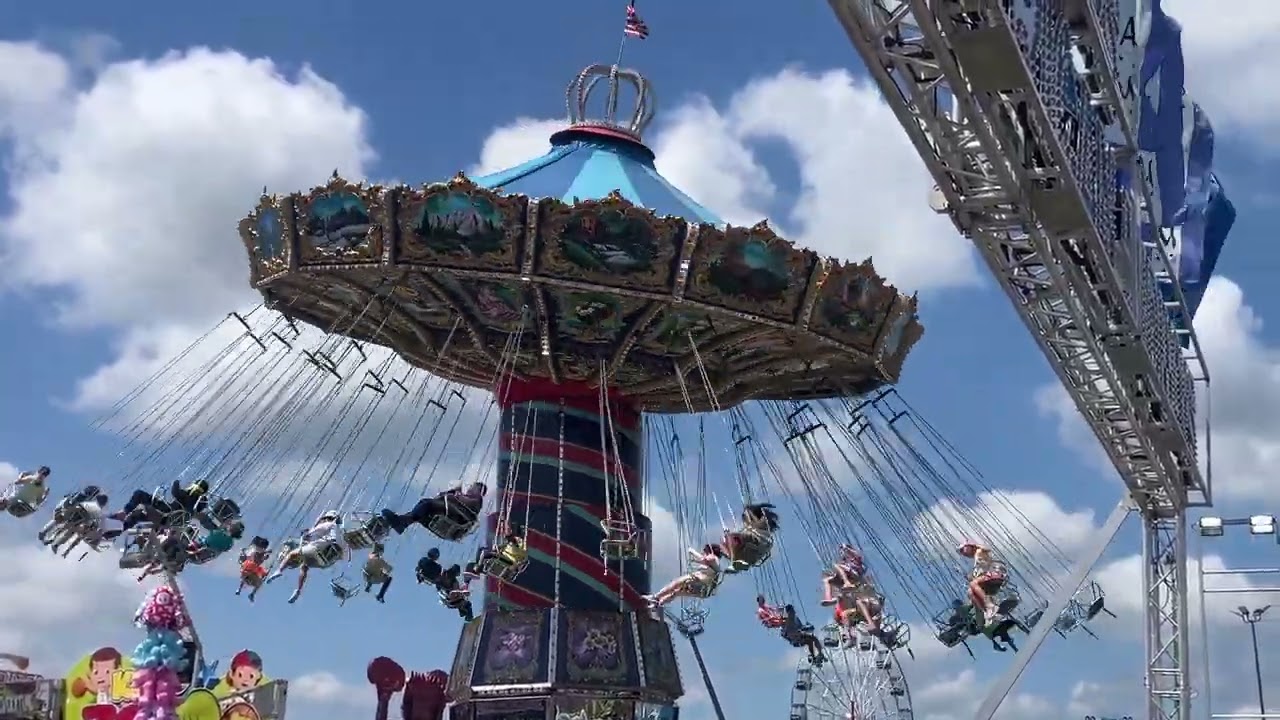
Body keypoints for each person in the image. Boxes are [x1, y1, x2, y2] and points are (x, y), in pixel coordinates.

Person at [267, 510, 345, 604]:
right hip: (325, 562)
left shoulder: (328, 524)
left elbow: (309, 535)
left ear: (327, 518)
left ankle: (279, 570)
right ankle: (298, 590)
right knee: (304, 566)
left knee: (292, 554)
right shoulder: (340, 533)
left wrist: (307, 532)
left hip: (315, 550)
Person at [380, 482, 486, 536]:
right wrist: (450, 493)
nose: (470, 488)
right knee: (423, 511)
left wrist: (457, 494)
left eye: (473, 486)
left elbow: (465, 501)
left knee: (427, 503)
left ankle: (402, 522)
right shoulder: (471, 499)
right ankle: (401, 522)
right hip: (449, 515)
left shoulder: (477, 499)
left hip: (455, 516)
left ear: (478, 489)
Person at [644, 545, 724, 607]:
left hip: (700, 583)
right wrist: (695, 560)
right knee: (676, 592)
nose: (703, 553)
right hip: (704, 592)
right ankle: (657, 604)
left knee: (675, 583)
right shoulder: (715, 565)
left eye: (705, 551)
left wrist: (692, 551)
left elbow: (705, 559)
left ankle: (655, 597)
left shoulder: (714, 558)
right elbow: (705, 562)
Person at [114, 479, 210, 529]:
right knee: (138, 515)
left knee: (139, 494)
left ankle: (123, 513)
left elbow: (175, 492)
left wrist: (176, 482)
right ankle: (119, 528)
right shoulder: (199, 504)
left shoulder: (188, 495)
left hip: (166, 513)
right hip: (172, 522)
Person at [712, 502, 779, 574]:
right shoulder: (754, 528)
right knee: (728, 541)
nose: (745, 521)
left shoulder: (761, 524)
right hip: (750, 552)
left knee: (732, 538)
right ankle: (735, 561)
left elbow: (752, 522)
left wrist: (749, 511)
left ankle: (735, 560)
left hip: (757, 543)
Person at [49, 493, 111, 558]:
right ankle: (55, 541)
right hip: (80, 517)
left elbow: (94, 519)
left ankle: (56, 543)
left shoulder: (96, 508)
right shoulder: (95, 507)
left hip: (81, 519)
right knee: (69, 530)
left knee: (69, 531)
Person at [959, 541, 1006, 624]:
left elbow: (987, 549)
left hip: (994, 575)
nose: (963, 553)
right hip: (986, 580)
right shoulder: (976, 561)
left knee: (973, 583)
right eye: (962, 552)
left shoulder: (979, 551)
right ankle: (988, 611)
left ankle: (989, 605)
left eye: (963, 550)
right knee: (970, 592)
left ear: (969, 546)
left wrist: (976, 545)